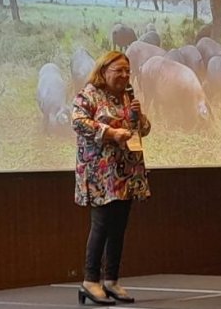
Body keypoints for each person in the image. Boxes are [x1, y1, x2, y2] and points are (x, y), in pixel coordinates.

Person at [72, 51, 151, 306]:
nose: (125, 75)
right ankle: (89, 280)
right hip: (100, 172)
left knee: (119, 227)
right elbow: (78, 122)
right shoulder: (89, 94)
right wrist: (110, 132)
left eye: (127, 70)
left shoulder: (127, 95)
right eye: (119, 70)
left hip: (127, 171)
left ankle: (111, 280)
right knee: (102, 225)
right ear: (104, 70)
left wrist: (139, 117)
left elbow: (143, 131)